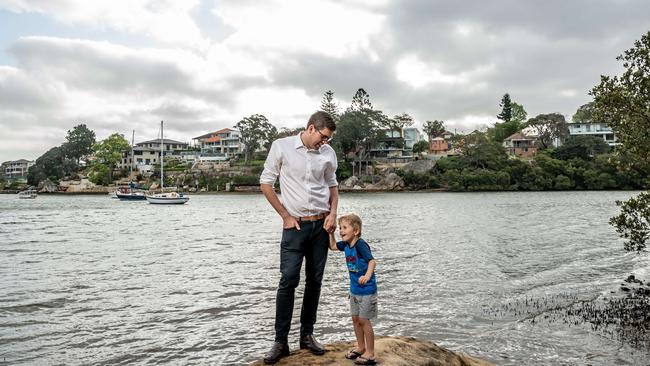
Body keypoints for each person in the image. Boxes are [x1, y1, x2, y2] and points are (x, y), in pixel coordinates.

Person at [259, 111, 339, 364]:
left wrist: (333, 214)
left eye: (328, 139)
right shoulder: (281, 147)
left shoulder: (328, 153)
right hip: (294, 226)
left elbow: (333, 186)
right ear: (311, 128)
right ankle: (280, 342)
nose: (325, 142)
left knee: (315, 281)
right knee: (288, 280)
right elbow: (266, 183)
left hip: (320, 226)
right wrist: (284, 215)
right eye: (323, 137)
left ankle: (307, 335)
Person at [329, 213, 378, 366]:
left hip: (367, 290)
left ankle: (370, 353)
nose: (341, 231)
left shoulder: (360, 245)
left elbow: (372, 261)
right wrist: (330, 233)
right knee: (356, 320)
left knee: (364, 320)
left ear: (355, 231)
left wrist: (367, 276)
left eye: (344, 228)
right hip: (354, 290)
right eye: (340, 228)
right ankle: (361, 347)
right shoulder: (345, 245)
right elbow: (332, 246)